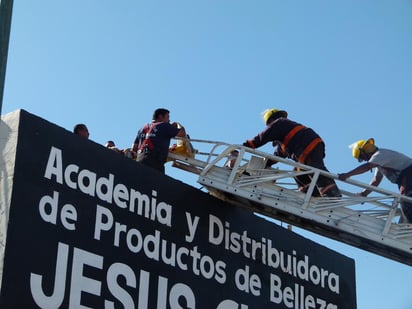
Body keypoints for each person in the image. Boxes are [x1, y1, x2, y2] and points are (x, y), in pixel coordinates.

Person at [242, 108, 341, 197]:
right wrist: (262, 164)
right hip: (311, 147)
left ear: (271, 121)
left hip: (307, 147)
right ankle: (313, 194)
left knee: (316, 171)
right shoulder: (285, 138)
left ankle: (331, 195)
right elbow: (276, 156)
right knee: (298, 173)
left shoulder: (279, 123)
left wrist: (244, 146)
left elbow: (261, 138)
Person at [338, 138, 412, 223]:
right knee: (406, 201)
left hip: (409, 173)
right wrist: (364, 193)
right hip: (407, 177)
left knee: (405, 200)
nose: (364, 160)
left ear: (364, 152)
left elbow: (367, 167)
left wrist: (347, 175)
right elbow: (376, 180)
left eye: (362, 157)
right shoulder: (380, 162)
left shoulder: (380, 154)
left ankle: (409, 228)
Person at [133, 108, 186, 174]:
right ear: (161, 116)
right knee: (157, 182)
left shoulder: (142, 129)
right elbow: (182, 133)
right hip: (155, 162)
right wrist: (178, 124)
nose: (169, 120)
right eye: (167, 117)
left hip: (140, 160)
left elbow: (134, 148)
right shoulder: (164, 126)